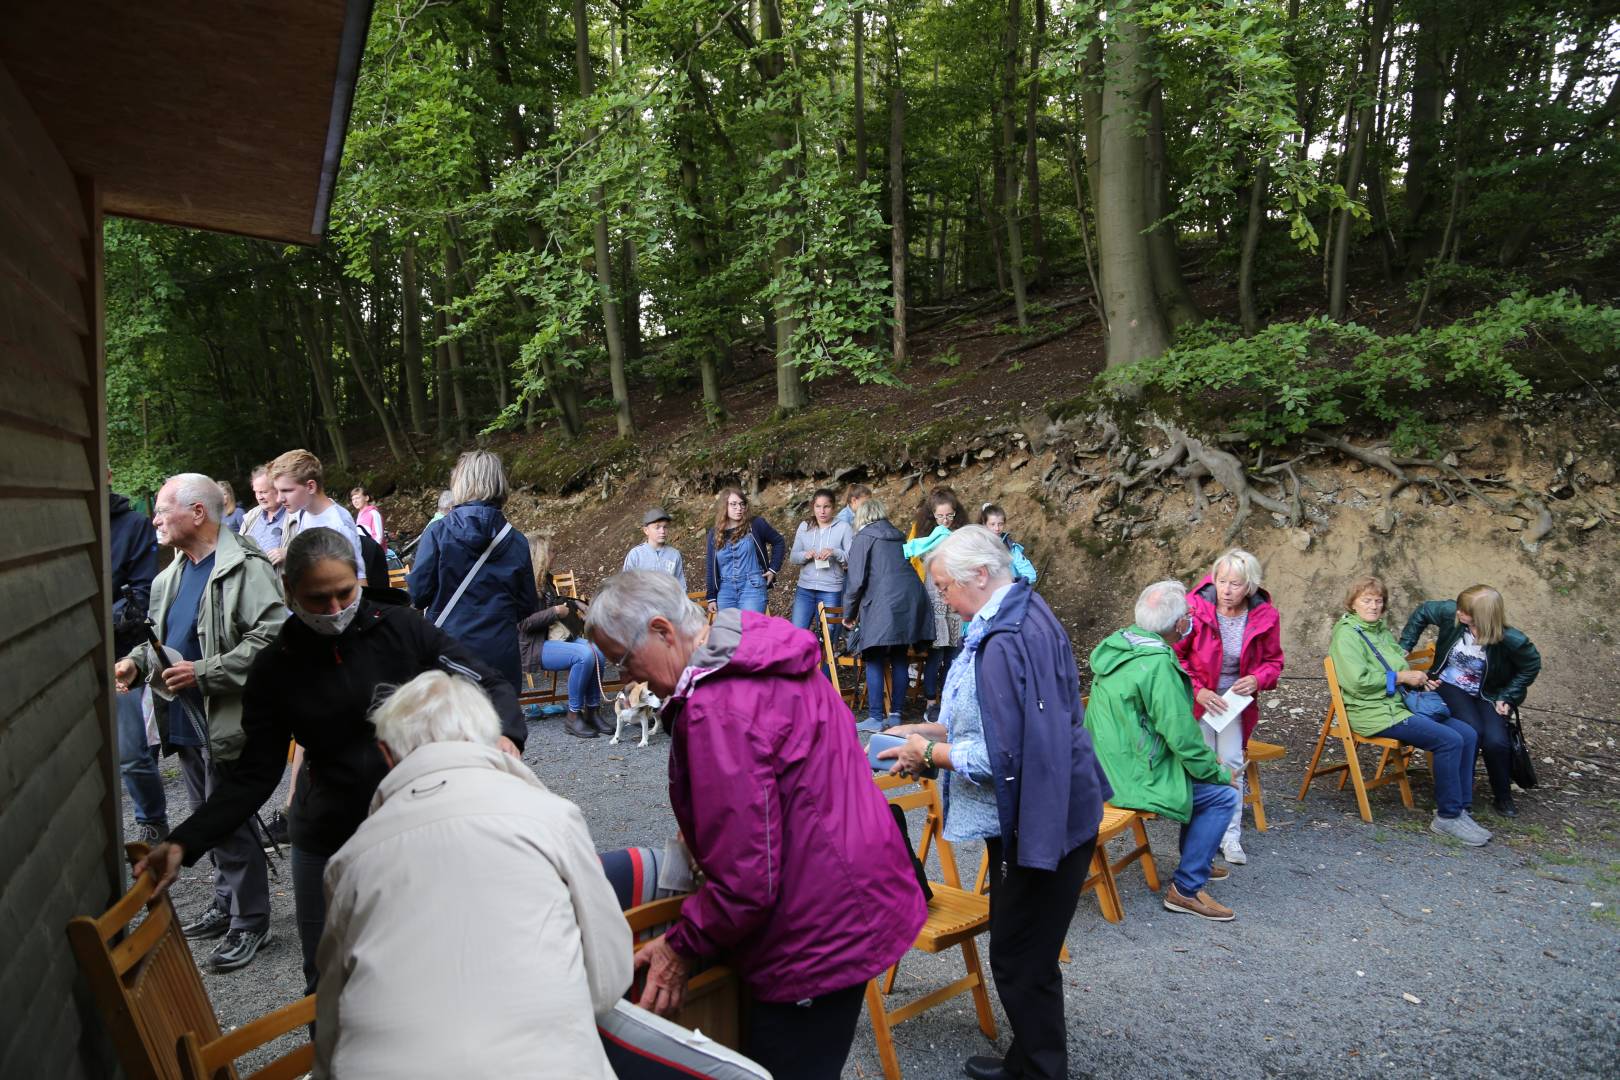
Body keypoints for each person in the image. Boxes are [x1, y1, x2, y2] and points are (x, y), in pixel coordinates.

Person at [134, 527, 523, 995]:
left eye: (345, 593)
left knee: (427, 964)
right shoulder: (277, 665)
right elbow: (254, 775)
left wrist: (505, 735)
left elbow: (487, 681)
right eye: (319, 599)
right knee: (327, 976)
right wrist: (184, 842)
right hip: (326, 834)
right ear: (289, 593)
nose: (336, 610)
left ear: (359, 580)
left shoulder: (403, 629)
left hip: (416, 822)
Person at [583, 571, 926, 1080]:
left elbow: (748, 880)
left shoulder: (718, 707)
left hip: (812, 932)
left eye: (625, 661)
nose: (631, 681)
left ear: (661, 630)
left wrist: (682, 947)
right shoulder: (761, 650)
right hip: (851, 897)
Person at [312, 670, 629, 1079]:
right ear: (493, 739)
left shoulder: (350, 859)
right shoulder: (552, 817)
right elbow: (609, 981)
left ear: (386, 755)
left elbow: (331, 1017)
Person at [879, 527, 1109, 1080]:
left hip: (1037, 819)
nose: (943, 600)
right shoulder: (1022, 612)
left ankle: (1036, 1072)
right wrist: (926, 730)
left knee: (1018, 957)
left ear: (980, 575)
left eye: (944, 586)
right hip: (1050, 808)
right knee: (1028, 953)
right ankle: (1031, 1062)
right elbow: (988, 722)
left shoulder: (1006, 637)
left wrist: (929, 753)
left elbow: (1004, 756)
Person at [114, 473, 286, 971]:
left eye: (164, 508)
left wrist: (206, 671)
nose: (155, 519)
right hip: (185, 718)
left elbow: (272, 639)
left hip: (227, 717)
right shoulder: (172, 573)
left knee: (229, 820)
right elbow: (166, 642)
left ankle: (250, 920)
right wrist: (136, 664)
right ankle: (226, 902)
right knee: (202, 816)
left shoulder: (245, 567)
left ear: (196, 513)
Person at [1085, 581, 1242, 921]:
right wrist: (1217, 770)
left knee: (1201, 773)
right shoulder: (1157, 665)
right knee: (1221, 795)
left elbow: (1165, 731)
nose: (1191, 620)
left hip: (1101, 767)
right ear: (1178, 625)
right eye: (1188, 615)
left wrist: (1202, 760)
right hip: (1129, 778)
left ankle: (1194, 859)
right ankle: (1186, 889)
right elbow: (1181, 735)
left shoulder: (1120, 646)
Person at [1330, 576, 1491, 845]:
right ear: (1353, 604)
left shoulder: (1379, 630)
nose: (1373, 606)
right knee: (1449, 740)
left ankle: (1461, 808)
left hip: (1400, 703)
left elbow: (1397, 661)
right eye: (1366, 601)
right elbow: (1357, 683)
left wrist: (1422, 678)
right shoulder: (1347, 635)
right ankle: (1447, 817)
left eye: (1378, 601)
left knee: (1468, 733)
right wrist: (1402, 678)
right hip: (1374, 711)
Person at [1172, 548, 1285, 866]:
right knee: (1203, 764)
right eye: (1221, 581)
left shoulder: (1265, 614)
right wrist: (1199, 691)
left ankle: (1230, 836)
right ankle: (1198, 832)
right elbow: (1174, 656)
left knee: (1232, 763)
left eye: (1235, 583)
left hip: (1235, 703)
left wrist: (1257, 679)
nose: (1226, 589)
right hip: (1201, 700)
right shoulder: (1195, 609)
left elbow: (1274, 662)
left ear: (1249, 585)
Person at [1401, 585, 1541, 818]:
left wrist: (1508, 695)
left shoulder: (1510, 639)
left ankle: (1503, 797)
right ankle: (1459, 797)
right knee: (1471, 730)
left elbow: (1531, 666)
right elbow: (1423, 611)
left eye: (1464, 611)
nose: (1458, 613)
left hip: (1488, 693)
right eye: (1459, 608)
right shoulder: (1451, 614)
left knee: (1497, 740)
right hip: (1449, 684)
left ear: (1483, 617)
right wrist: (1406, 643)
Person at [409, 450, 539, 693]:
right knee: (499, 727)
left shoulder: (438, 533)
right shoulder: (517, 541)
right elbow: (527, 606)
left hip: (449, 654)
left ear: (461, 483)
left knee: (450, 728)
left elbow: (418, 595)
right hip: (500, 655)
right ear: (500, 483)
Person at [842, 498, 932, 732]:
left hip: (882, 602)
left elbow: (856, 580)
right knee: (899, 656)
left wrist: (849, 612)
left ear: (861, 516)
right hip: (909, 599)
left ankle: (874, 716)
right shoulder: (897, 535)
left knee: (873, 655)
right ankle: (895, 714)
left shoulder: (864, 537)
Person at [110, 481, 164, 842]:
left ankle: (153, 821)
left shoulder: (133, 525)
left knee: (130, 752)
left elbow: (143, 594)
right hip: (68, 652)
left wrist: (97, 617)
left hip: (121, 653)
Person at [522, 533, 610, 739]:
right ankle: (573, 714)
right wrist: (554, 613)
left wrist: (575, 602)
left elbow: (556, 601)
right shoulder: (522, 585)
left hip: (556, 639)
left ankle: (592, 710)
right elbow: (522, 624)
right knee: (584, 655)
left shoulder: (546, 580)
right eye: (552, 551)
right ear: (541, 555)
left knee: (598, 651)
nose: (555, 554)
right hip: (534, 645)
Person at [905, 490, 965, 720]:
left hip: (956, 599)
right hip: (935, 598)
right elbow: (913, 554)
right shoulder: (926, 537)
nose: (945, 521)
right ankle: (931, 702)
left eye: (949, 516)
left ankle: (948, 701)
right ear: (932, 515)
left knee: (953, 655)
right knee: (936, 655)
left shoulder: (960, 535)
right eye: (940, 516)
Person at [268, 448, 367, 584]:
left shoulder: (337, 524)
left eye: (286, 490)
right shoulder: (304, 514)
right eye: (278, 491)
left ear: (310, 487)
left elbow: (358, 579)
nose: (279, 499)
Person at [702, 487, 783, 615]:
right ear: (724, 506)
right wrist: (711, 596)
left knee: (750, 630)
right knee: (730, 632)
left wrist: (773, 569)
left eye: (742, 504)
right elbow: (711, 566)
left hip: (752, 586)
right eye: (733, 504)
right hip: (725, 589)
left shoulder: (756, 524)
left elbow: (778, 542)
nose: (739, 508)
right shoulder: (714, 533)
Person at [788, 488, 853, 639]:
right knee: (797, 634)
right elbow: (793, 557)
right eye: (818, 506)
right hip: (805, 589)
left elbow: (851, 558)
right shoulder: (805, 526)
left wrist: (835, 552)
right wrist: (806, 555)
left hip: (831, 590)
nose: (822, 511)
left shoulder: (844, 527)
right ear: (813, 507)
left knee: (827, 637)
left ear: (834, 507)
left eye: (826, 506)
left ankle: (824, 664)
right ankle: (801, 663)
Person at [978, 503, 1037, 584]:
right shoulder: (977, 547)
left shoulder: (1010, 546)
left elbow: (1030, 574)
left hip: (1010, 591)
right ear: (984, 524)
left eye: (1000, 524)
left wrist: (1016, 586)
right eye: (992, 524)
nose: (997, 528)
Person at [622, 506, 686, 581]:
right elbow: (625, 585)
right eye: (657, 527)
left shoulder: (674, 554)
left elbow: (680, 585)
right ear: (646, 530)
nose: (662, 531)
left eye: (665, 527)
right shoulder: (636, 555)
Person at [240, 464, 285, 556]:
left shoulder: (294, 517)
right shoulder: (250, 517)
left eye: (264, 492)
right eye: (256, 492)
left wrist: (288, 553)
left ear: (278, 490)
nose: (259, 497)